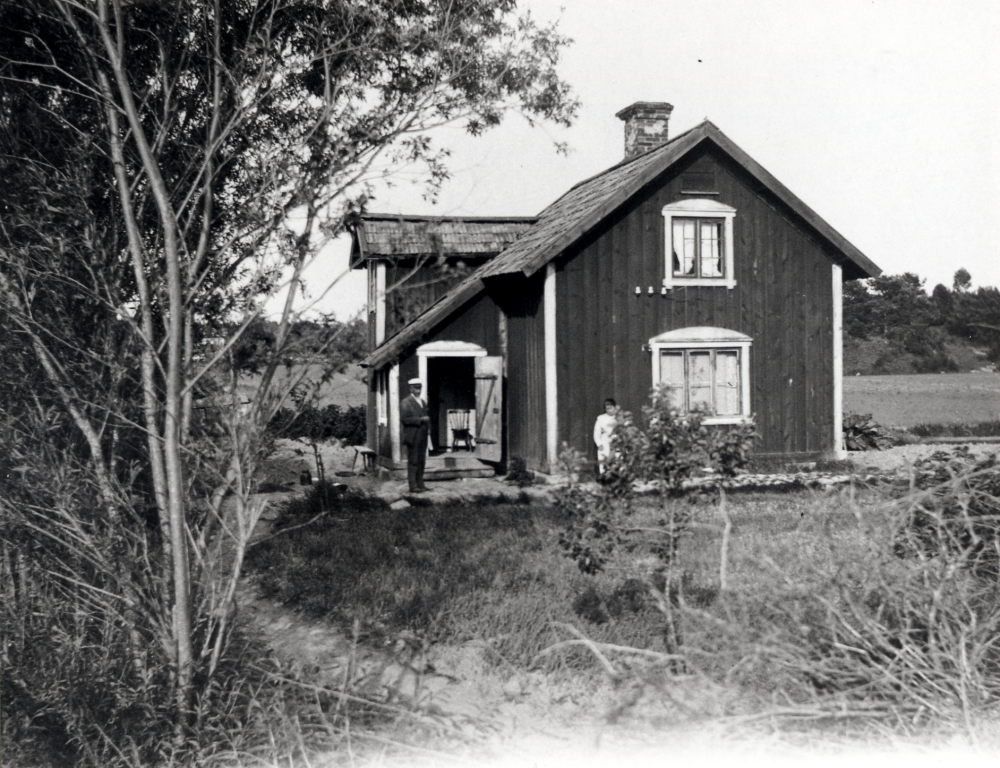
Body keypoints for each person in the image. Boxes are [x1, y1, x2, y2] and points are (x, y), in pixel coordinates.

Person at [401, 378, 430, 492]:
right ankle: (413, 486)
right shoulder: (406, 402)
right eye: (416, 388)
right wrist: (420, 420)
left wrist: (428, 430)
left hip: (422, 435)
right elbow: (405, 419)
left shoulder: (422, 402)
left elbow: (426, 416)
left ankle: (421, 484)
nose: (419, 390)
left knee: (421, 461)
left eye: (420, 388)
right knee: (413, 461)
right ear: (411, 388)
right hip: (413, 435)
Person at [593, 398, 618, 477]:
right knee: (604, 457)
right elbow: (596, 433)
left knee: (617, 457)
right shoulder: (601, 419)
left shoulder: (619, 417)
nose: (609, 411)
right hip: (605, 440)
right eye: (607, 409)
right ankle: (604, 477)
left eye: (611, 408)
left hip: (617, 440)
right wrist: (599, 443)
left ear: (615, 407)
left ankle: (617, 477)